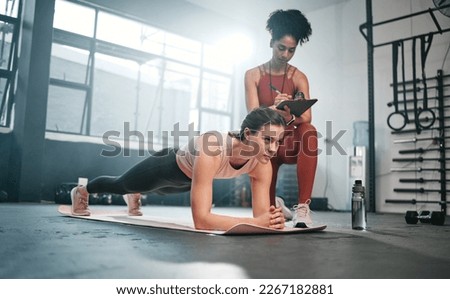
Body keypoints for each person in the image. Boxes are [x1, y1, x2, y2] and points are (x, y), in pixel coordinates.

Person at [70, 107, 286, 231]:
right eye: (268, 140)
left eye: (278, 142)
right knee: (121, 184)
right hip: (167, 166)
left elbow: (262, 218)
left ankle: (136, 193)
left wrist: (271, 220)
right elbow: (202, 221)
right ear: (248, 134)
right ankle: (82, 191)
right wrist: (254, 222)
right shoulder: (213, 146)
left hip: (188, 181)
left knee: (155, 190)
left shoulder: (262, 164)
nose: (273, 149)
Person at [244, 9, 317, 228]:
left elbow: (307, 116)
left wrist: (289, 113)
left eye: (291, 50)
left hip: (289, 142)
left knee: (310, 131)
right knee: (268, 214)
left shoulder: (299, 77)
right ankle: (274, 204)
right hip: (267, 142)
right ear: (271, 42)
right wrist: (274, 110)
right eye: (281, 48)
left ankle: (303, 208)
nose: (285, 54)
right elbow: (253, 115)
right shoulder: (253, 75)